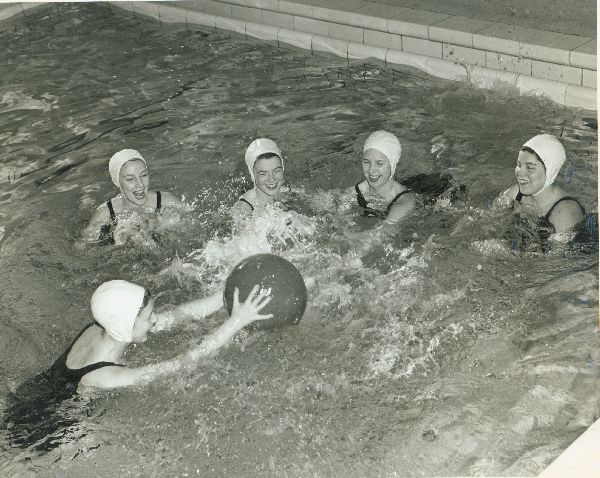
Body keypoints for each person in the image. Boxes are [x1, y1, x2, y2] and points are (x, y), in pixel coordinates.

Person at [3, 280, 271, 450]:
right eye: (148, 317)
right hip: (39, 434)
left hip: (28, 395)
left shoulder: (98, 328)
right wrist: (236, 322)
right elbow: (184, 362)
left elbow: (176, 317)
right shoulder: (106, 376)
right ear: (125, 325)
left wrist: (223, 295)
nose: (155, 320)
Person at [496, 134, 587, 247]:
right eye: (519, 165)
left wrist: (504, 249)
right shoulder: (515, 193)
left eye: (530, 168)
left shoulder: (565, 212)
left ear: (550, 171)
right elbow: (489, 220)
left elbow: (557, 260)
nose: (520, 173)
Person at [80, 149, 184, 245]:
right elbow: (81, 249)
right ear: (118, 182)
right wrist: (117, 247)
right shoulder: (105, 213)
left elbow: (195, 235)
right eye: (130, 179)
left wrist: (172, 227)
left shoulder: (167, 201)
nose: (140, 185)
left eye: (143, 175)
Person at [353, 130, 415, 223]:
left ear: (392, 165)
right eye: (366, 162)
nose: (371, 170)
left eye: (379, 163)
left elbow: (381, 234)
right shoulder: (357, 191)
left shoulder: (404, 203)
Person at [231, 138, 289, 217]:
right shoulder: (243, 209)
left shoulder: (291, 193)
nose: (272, 179)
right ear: (253, 175)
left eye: (276, 171)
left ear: (283, 168)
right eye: (263, 174)